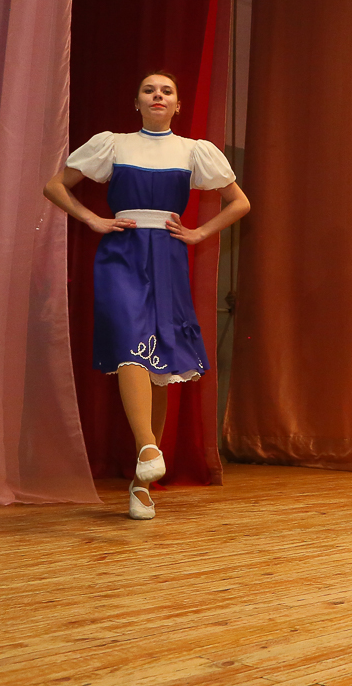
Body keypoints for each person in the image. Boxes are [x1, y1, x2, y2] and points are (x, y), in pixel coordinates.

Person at [44, 72, 249, 519]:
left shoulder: (194, 151)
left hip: (169, 257)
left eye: (167, 91)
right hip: (121, 253)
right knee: (128, 343)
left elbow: (240, 202)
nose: (158, 95)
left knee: (160, 363)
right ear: (136, 102)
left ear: (177, 104)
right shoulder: (113, 144)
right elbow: (55, 185)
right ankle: (148, 447)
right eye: (149, 90)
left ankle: (141, 485)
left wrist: (199, 233)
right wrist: (93, 219)